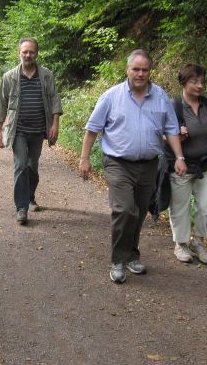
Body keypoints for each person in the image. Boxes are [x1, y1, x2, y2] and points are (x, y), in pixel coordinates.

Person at [79, 49, 187, 284]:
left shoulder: (160, 97)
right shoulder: (111, 96)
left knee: (138, 212)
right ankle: (118, 260)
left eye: (144, 70)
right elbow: (93, 128)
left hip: (149, 165)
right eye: (136, 69)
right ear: (127, 70)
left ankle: (131, 255)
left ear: (150, 71)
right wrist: (84, 158)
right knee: (125, 209)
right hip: (117, 163)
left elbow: (171, 129)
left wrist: (179, 157)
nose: (140, 74)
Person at [0, 37, 62, 225]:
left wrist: (55, 124)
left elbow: (54, 99)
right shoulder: (9, 77)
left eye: (31, 52)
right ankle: (21, 208)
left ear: (36, 54)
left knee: (32, 167)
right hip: (18, 130)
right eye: (25, 51)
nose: (28, 55)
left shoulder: (46, 75)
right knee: (21, 165)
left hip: (39, 129)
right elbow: (1, 104)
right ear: (19, 53)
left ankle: (30, 196)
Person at [166, 64, 207, 265]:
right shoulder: (174, 106)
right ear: (184, 83)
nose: (200, 86)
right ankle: (181, 244)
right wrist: (176, 138)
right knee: (180, 208)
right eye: (194, 82)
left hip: (205, 165)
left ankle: (199, 243)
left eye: (202, 82)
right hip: (181, 166)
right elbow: (162, 136)